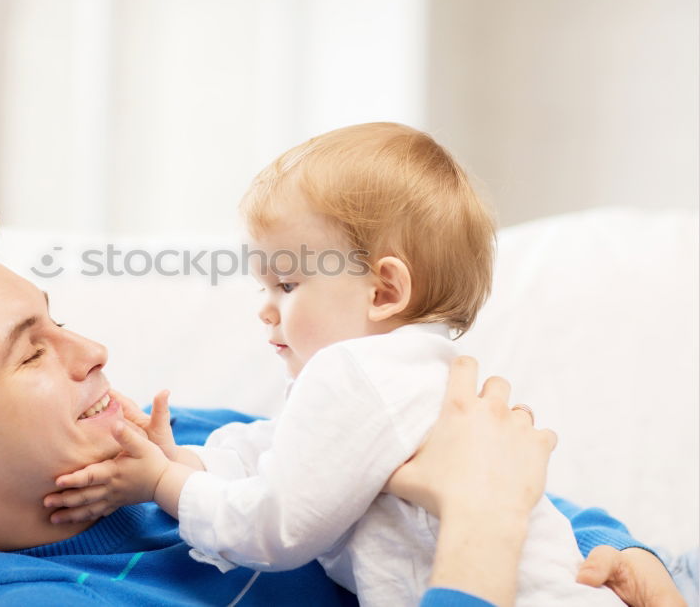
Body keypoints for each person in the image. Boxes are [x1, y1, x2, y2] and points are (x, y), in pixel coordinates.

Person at [0, 195, 678, 606]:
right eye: (34, 351)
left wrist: (622, 552)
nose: (94, 353)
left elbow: (454, 480)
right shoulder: (50, 600)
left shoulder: (189, 436)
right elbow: (477, 498)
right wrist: (481, 523)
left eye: (61, 320)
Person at [44, 125, 685, 606]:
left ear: (384, 291)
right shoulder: (401, 372)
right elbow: (282, 451)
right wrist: (191, 462)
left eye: (287, 286)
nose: (266, 311)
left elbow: (277, 528)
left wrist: (163, 483)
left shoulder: (355, 375)